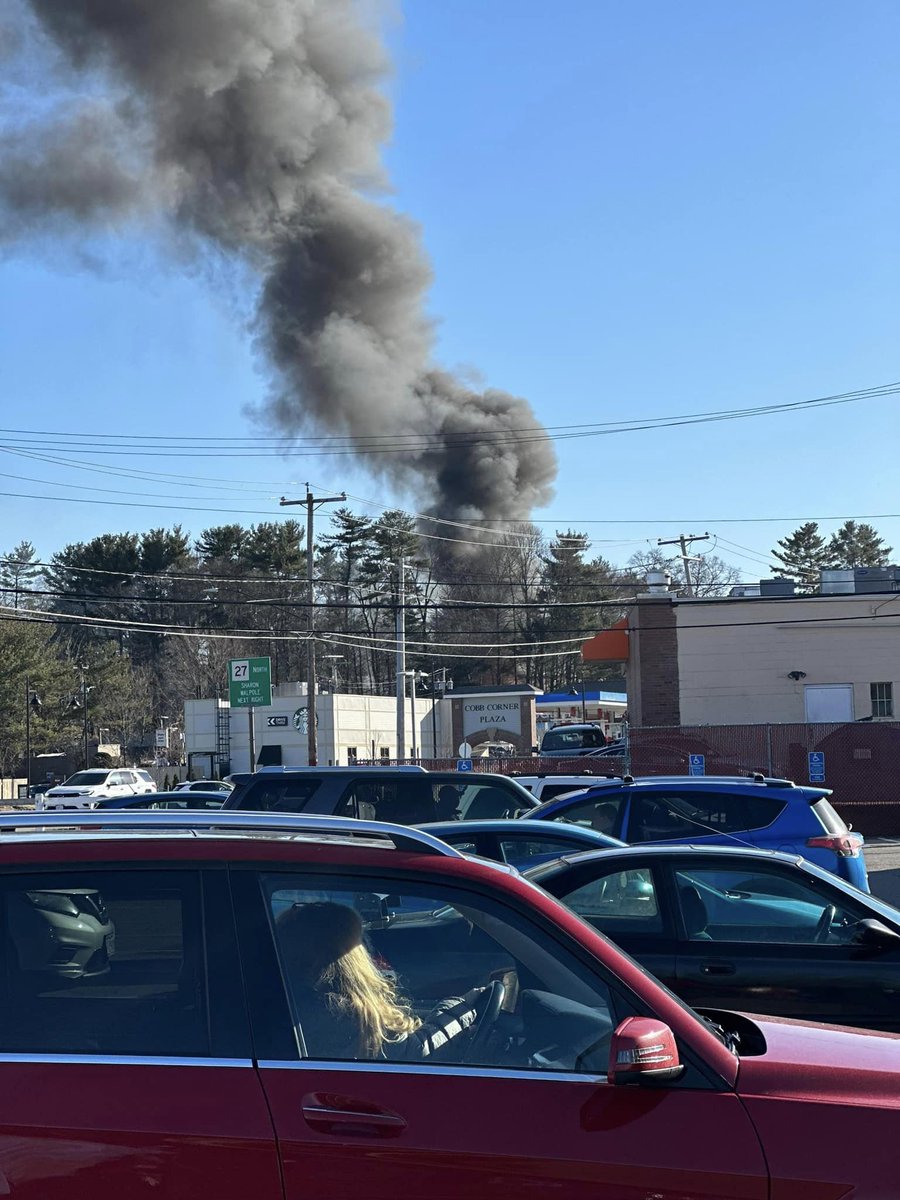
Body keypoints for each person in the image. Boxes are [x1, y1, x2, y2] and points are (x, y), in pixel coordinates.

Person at [275, 901, 484, 1061]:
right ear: (348, 956)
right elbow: (412, 1052)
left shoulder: (293, 999)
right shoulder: (334, 1010)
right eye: (359, 942)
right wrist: (463, 1007)